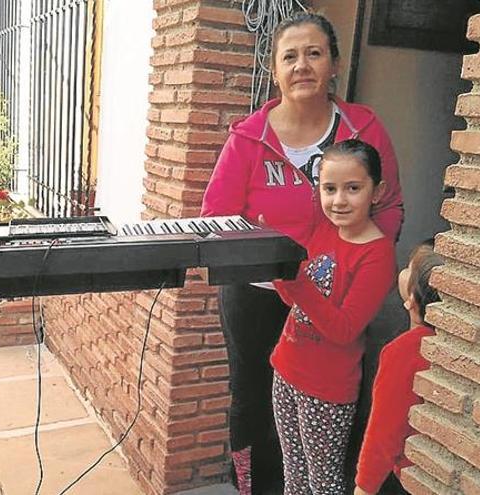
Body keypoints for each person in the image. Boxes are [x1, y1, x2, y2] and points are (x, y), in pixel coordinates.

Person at [200, 12, 403, 494]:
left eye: (314, 53)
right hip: (255, 293)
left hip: (334, 297)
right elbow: (216, 217)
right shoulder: (248, 138)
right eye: (290, 56)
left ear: (334, 63)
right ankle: (253, 487)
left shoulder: (363, 128)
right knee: (253, 396)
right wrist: (265, 269)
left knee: (331, 398)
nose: (303, 65)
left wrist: (367, 267)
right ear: (275, 69)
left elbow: (389, 205)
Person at [271, 139, 396, 494]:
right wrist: (276, 265)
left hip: (326, 388)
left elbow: (343, 329)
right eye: (329, 188)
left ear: (377, 191)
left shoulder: (377, 254)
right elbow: (294, 300)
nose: (339, 200)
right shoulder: (323, 228)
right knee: (293, 473)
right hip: (287, 368)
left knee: (323, 483)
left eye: (353, 188)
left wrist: (293, 279)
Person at [354, 241, 443, 495]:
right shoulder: (449, 343)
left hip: (411, 477)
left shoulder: (405, 352)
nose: (402, 271)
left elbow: (383, 434)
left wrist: (363, 487)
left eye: (408, 269)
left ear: (412, 301)